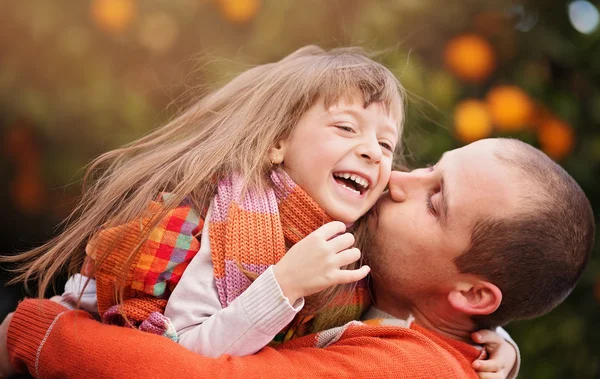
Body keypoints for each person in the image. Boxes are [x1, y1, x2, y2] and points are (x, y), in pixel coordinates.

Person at [1, 138, 593, 379]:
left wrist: (38, 332)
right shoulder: (392, 316)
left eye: (437, 200)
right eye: (430, 167)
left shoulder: (413, 370)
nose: (400, 181)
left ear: (471, 295)